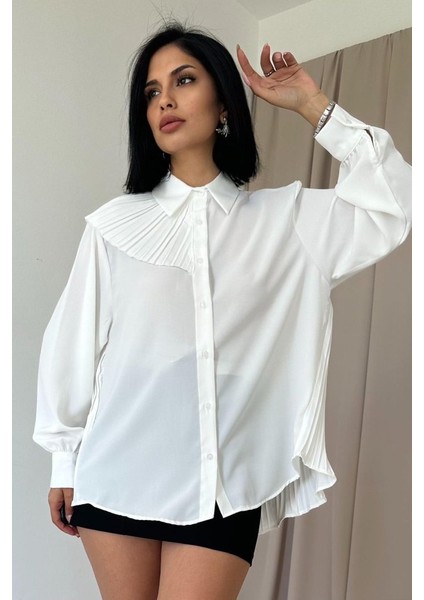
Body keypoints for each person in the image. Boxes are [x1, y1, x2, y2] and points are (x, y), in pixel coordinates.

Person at [33, 19, 411, 600]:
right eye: (152, 91)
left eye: (184, 80)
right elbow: (74, 345)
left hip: (225, 484)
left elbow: (394, 205)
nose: (165, 100)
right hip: (117, 471)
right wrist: (64, 461)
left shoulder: (288, 222)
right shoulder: (114, 227)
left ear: (224, 104)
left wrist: (312, 105)